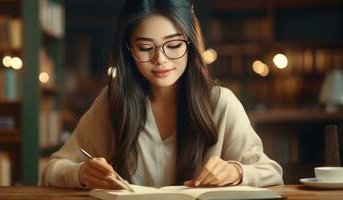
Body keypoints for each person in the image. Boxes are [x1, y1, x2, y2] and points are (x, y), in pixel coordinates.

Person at [42, 0, 283, 189]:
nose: (161, 60)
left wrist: (236, 172)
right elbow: (54, 169)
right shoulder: (112, 102)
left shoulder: (220, 103)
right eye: (146, 48)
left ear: (191, 44)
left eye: (174, 45)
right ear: (128, 50)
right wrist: (82, 173)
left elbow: (271, 172)